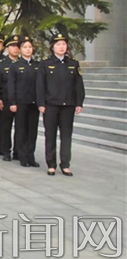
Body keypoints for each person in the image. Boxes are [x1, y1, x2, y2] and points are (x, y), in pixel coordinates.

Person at [36, 33, 85, 176]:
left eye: (63, 44)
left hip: (68, 105)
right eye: (58, 44)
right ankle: (51, 164)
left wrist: (79, 103)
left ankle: (65, 164)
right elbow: (40, 85)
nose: (61, 47)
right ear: (52, 47)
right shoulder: (45, 63)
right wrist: (41, 103)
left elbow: (79, 86)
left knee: (66, 135)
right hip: (51, 105)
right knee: (50, 135)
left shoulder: (73, 64)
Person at [7, 36, 40, 168]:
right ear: (20, 49)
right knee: (21, 129)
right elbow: (11, 86)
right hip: (20, 102)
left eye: (30, 47)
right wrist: (12, 102)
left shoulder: (37, 65)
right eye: (25, 47)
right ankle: (22, 156)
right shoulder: (15, 66)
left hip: (34, 103)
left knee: (32, 130)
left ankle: (30, 156)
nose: (28, 49)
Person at [0, 35, 21, 161]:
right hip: (5, 99)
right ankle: (6, 150)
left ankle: (18, 151)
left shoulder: (22, 63)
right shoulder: (1, 64)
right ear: (7, 48)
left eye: (17, 46)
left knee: (20, 127)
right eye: (12, 46)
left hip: (20, 99)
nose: (15, 48)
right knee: (6, 126)